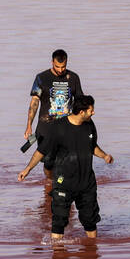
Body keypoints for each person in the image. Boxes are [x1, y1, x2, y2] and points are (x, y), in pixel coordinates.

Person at [18, 95, 113, 239]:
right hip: (64, 182)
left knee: (90, 221)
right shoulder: (58, 128)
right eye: (91, 110)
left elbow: (92, 147)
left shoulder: (89, 125)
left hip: (86, 183)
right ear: (82, 112)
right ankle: (57, 256)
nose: (93, 113)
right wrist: (27, 169)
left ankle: (92, 252)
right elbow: (41, 151)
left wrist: (105, 156)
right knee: (59, 221)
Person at [24, 49, 85, 184]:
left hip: (68, 128)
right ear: (52, 62)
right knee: (49, 163)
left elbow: (81, 102)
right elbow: (34, 102)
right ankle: (50, 183)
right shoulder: (41, 78)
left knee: (68, 160)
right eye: (57, 67)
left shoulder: (73, 77)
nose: (61, 70)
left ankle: (64, 187)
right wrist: (29, 125)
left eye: (63, 67)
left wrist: (85, 122)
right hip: (46, 128)